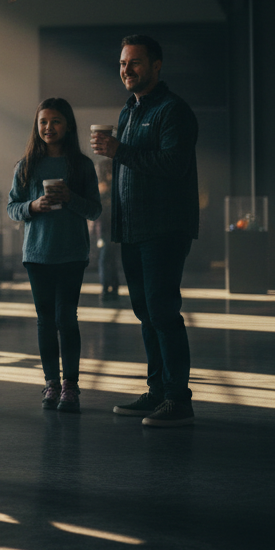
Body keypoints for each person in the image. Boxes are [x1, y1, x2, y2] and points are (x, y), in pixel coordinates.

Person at [91, 35, 199, 427]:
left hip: (165, 229)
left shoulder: (174, 111)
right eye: (122, 63)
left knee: (163, 312)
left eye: (135, 62)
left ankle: (178, 399)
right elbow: (126, 172)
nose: (126, 69)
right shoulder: (129, 111)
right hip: (132, 230)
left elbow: (173, 164)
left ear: (156, 65)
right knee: (144, 312)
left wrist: (119, 151)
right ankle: (157, 391)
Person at [7, 98, 101, 413]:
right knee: (45, 320)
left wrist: (70, 198)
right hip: (37, 254)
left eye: (56, 121)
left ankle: (71, 386)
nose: (49, 128)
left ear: (68, 125)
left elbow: (95, 209)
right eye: (43, 122)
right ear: (37, 126)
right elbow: (12, 207)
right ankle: (51, 383)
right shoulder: (26, 165)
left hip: (72, 254)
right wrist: (33, 206)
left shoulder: (82, 165)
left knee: (66, 319)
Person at [94, 158, 121, 300]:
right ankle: (110, 287)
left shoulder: (111, 186)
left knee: (107, 258)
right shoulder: (102, 186)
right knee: (107, 258)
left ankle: (109, 287)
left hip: (110, 228)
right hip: (105, 229)